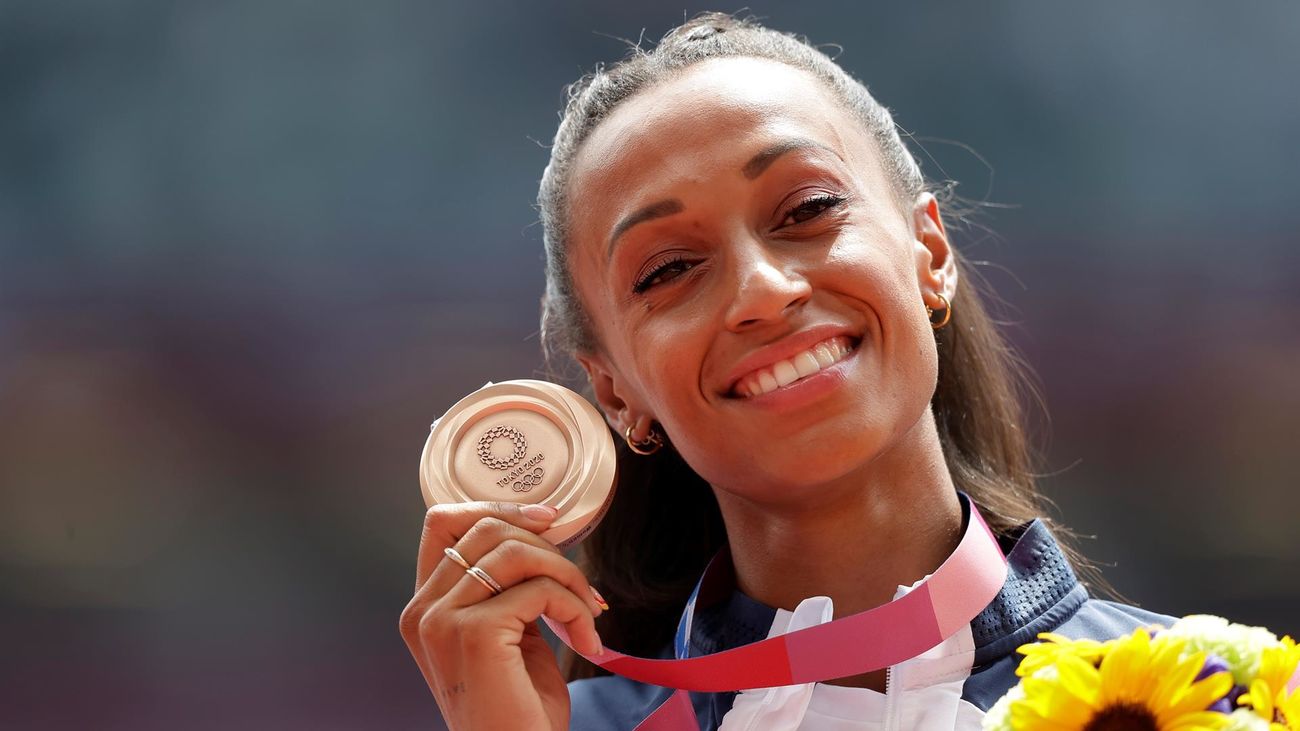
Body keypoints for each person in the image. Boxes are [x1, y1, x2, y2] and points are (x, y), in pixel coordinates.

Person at [399, 12, 1170, 730]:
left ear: (929, 255)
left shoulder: (1228, 697)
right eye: (668, 269)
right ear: (615, 391)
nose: (762, 291)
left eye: (807, 208)